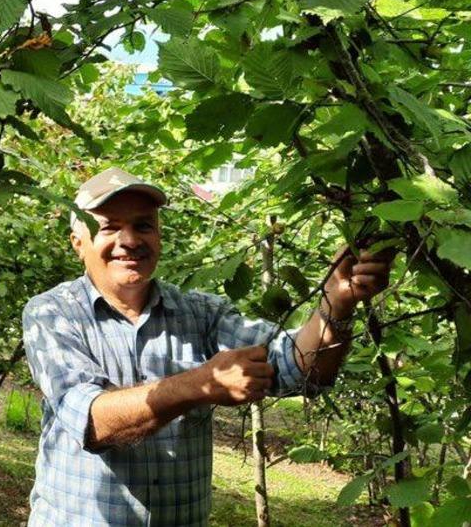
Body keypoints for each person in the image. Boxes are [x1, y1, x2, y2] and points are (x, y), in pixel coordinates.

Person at [21, 167, 395, 526]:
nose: (130, 240)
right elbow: (91, 421)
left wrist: (337, 299)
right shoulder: (52, 314)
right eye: (109, 227)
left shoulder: (203, 314)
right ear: (78, 243)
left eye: (143, 225)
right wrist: (201, 384)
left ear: (160, 236)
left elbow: (299, 367)